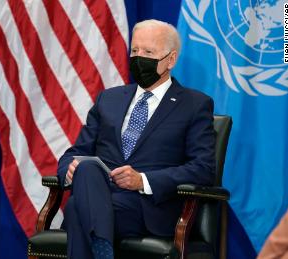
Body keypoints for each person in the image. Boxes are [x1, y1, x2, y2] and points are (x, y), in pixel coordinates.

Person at [57, 19, 216, 259]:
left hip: (147, 208)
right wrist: (68, 170)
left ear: (170, 60)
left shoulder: (194, 105)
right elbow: (75, 152)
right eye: (134, 50)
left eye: (148, 52)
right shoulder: (108, 100)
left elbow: (203, 168)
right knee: (87, 167)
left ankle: (101, 246)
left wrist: (142, 181)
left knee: (74, 209)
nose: (138, 57)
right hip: (101, 194)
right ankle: (102, 249)